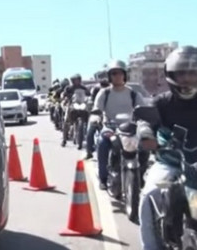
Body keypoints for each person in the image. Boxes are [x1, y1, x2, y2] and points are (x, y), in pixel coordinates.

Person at [137, 46, 197, 250]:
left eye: (193, 73)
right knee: (149, 194)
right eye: (182, 73)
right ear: (171, 75)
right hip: (169, 160)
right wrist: (145, 134)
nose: (187, 79)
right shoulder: (161, 102)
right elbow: (144, 120)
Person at [93, 60, 145, 188]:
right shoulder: (104, 93)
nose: (117, 76)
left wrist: (146, 117)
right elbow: (96, 109)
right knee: (102, 144)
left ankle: (140, 176)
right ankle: (103, 178)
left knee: (144, 146)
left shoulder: (133, 93)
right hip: (110, 128)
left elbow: (142, 109)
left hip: (130, 129)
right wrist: (95, 117)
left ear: (125, 75)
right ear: (109, 76)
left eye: (120, 73)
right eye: (114, 73)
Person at [60, 74, 90, 147]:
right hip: (71, 104)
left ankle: (89, 138)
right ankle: (64, 139)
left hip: (82, 104)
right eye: (75, 80)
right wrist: (64, 97)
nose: (76, 81)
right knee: (66, 121)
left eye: (78, 80)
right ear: (72, 81)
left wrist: (89, 99)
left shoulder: (84, 88)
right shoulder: (69, 88)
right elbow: (64, 94)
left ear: (80, 80)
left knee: (89, 117)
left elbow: (89, 94)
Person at [84, 78, 110, 159]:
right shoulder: (95, 89)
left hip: (111, 114)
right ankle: (89, 152)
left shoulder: (114, 91)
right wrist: (91, 109)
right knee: (90, 131)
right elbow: (91, 101)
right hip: (98, 113)